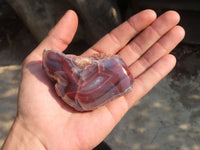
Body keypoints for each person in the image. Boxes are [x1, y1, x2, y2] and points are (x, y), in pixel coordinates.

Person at [2, 9, 185, 150]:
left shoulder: (68, 79)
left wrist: (31, 140)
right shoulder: (68, 84)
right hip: (91, 91)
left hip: (101, 84)